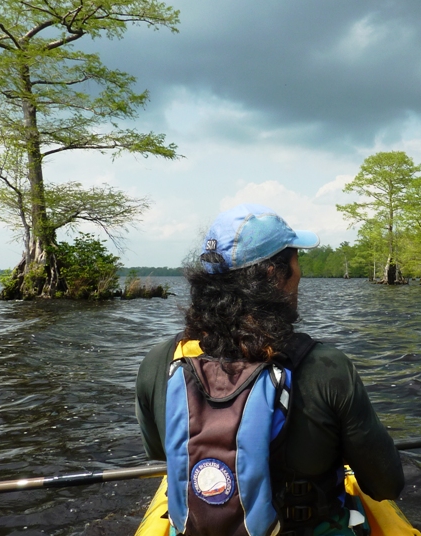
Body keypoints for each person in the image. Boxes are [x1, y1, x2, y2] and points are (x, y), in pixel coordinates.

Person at [135, 203, 404, 536]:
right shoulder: (326, 367)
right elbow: (386, 486)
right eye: (296, 260)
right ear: (273, 274)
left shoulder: (159, 362)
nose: (300, 272)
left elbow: (162, 452)